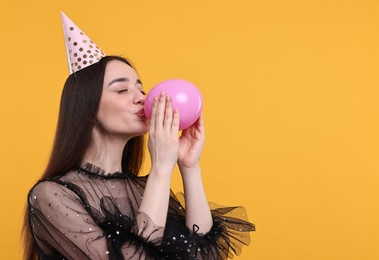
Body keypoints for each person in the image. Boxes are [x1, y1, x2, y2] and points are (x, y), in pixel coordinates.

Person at [23, 13, 255, 260]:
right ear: (86, 108)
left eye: (141, 88)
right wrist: (161, 170)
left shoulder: (146, 188)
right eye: (122, 90)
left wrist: (189, 167)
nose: (142, 98)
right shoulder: (52, 195)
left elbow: (206, 256)